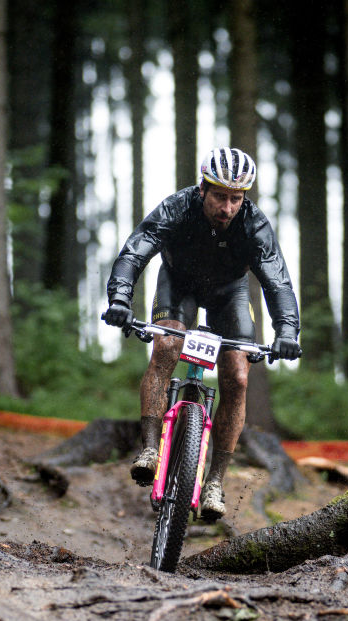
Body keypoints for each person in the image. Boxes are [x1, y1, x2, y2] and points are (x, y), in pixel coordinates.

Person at [102, 147, 302, 522]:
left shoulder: (254, 224)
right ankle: (149, 448)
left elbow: (277, 281)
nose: (227, 207)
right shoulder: (177, 208)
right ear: (202, 190)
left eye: (236, 198)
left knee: (239, 376)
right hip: (178, 286)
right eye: (220, 197)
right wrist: (120, 298)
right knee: (166, 346)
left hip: (230, 294)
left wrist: (287, 329)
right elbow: (135, 252)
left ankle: (214, 482)